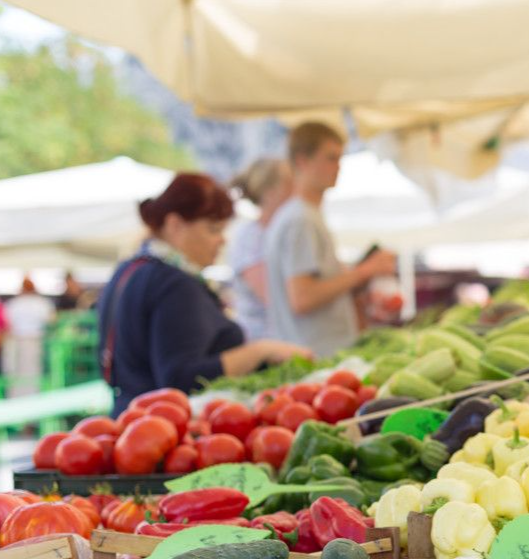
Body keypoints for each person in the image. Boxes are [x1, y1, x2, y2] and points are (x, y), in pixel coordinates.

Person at [98, 173, 310, 416]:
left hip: (129, 421)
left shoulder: (129, 269)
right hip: (166, 430)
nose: (222, 240)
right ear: (175, 224)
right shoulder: (174, 283)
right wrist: (262, 350)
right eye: (213, 229)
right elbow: (181, 379)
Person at [265, 122, 398, 357]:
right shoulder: (300, 220)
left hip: (322, 354)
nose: (338, 167)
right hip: (318, 356)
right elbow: (303, 298)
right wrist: (364, 271)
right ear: (302, 161)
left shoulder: (304, 216)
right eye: (331, 158)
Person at [228, 158, 294, 340]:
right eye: (290, 183)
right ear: (270, 192)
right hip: (263, 343)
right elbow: (273, 297)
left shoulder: (280, 232)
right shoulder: (250, 237)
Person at [4, 277, 55, 397]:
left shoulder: (14, 303)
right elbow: (51, 319)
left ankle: (19, 399)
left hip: (19, 340)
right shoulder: (41, 303)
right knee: (31, 371)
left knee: (18, 372)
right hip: (31, 340)